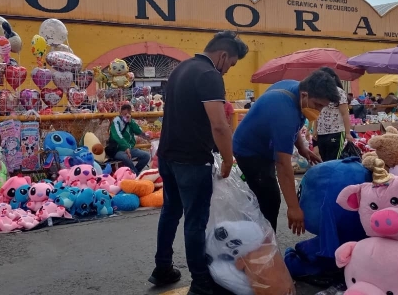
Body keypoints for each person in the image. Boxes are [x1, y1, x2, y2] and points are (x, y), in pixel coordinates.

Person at [150, 31, 248, 295]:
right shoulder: (209, 76)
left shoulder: (181, 69)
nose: (228, 70)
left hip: (168, 156)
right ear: (223, 55)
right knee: (195, 221)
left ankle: (162, 268)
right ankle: (201, 282)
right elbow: (219, 125)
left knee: (170, 212)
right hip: (192, 160)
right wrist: (228, 159)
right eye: (231, 64)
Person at [232, 70, 340, 236]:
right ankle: (261, 248)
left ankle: (260, 240)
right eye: (317, 105)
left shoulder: (293, 89)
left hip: (261, 143)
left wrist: (303, 149)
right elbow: (283, 165)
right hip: (250, 152)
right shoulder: (284, 112)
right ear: (304, 95)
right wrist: (294, 207)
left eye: (323, 107)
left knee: (262, 194)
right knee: (269, 199)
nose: (319, 111)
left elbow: (294, 126)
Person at [314, 67, 353, 161]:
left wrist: (348, 133)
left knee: (334, 160)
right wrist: (314, 130)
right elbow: (316, 113)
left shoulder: (339, 92)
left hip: (336, 132)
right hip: (321, 132)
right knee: (323, 160)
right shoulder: (318, 93)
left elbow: (345, 114)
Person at [109, 104, 151, 176]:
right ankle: (136, 175)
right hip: (117, 149)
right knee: (126, 157)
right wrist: (126, 147)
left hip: (130, 149)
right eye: (124, 114)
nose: (126, 116)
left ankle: (133, 174)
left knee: (146, 156)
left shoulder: (131, 121)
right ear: (121, 113)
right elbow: (117, 136)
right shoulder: (116, 121)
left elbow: (139, 131)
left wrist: (130, 122)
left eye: (128, 114)